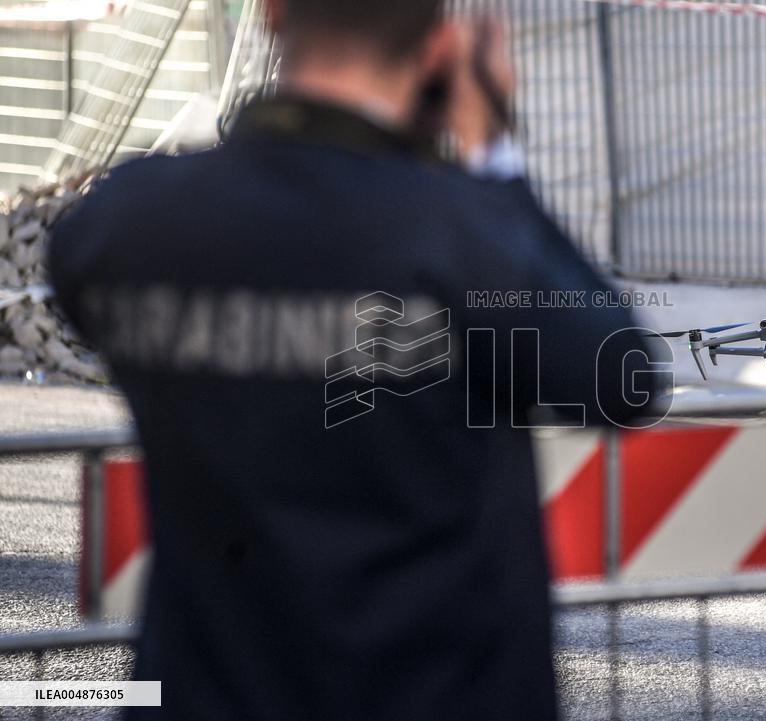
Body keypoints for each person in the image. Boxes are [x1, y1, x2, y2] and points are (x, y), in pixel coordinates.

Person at [48, 1, 666, 719]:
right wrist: (494, 159)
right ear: (439, 51)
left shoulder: (132, 222)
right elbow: (621, 379)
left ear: (274, 14)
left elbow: (79, 280)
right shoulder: (462, 231)